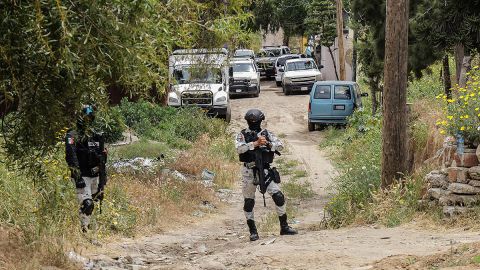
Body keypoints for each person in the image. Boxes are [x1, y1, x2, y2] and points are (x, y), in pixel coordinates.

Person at [235, 109, 297, 241]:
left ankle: (284, 227)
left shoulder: (267, 133)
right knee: (249, 201)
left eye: (256, 121)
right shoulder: (242, 135)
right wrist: (254, 144)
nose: (254, 124)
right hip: (249, 171)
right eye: (251, 122)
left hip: (265, 170)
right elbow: (239, 149)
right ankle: (253, 231)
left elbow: (280, 146)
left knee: (278, 196)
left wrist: (268, 144)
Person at [65, 105, 107, 233]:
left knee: (95, 202)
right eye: (85, 117)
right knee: (87, 204)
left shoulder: (97, 136)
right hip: (82, 176)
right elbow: (71, 156)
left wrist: (102, 181)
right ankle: (84, 233)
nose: (88, 120)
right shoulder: (72, 135)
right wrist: (77, 176)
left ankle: (90, 230)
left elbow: (102, 159)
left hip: (96, 176)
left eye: (90, 117)